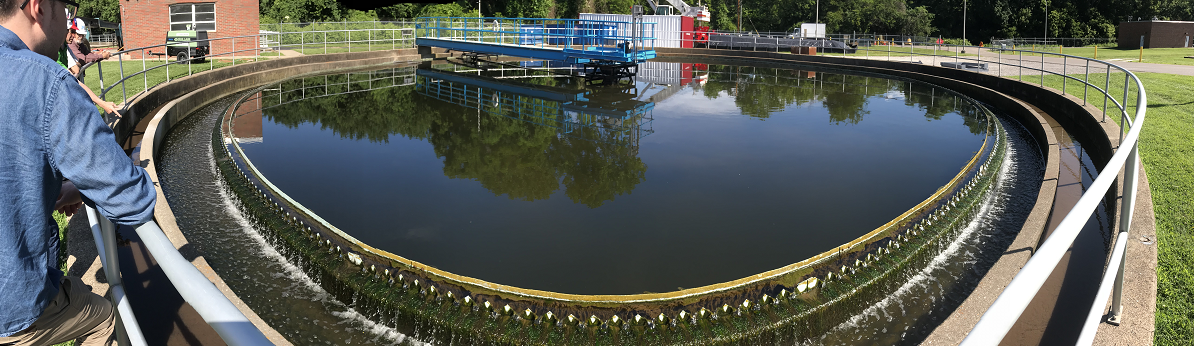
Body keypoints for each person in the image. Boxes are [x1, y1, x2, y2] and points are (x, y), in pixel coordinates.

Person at [0, 0, 157, 345]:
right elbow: (133, 199)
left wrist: (57, 185)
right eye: (66, 6)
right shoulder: (45, 81)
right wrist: (85, 187)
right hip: (10, 306)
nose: (69, 18)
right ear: (39, 7)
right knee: (102, 316)